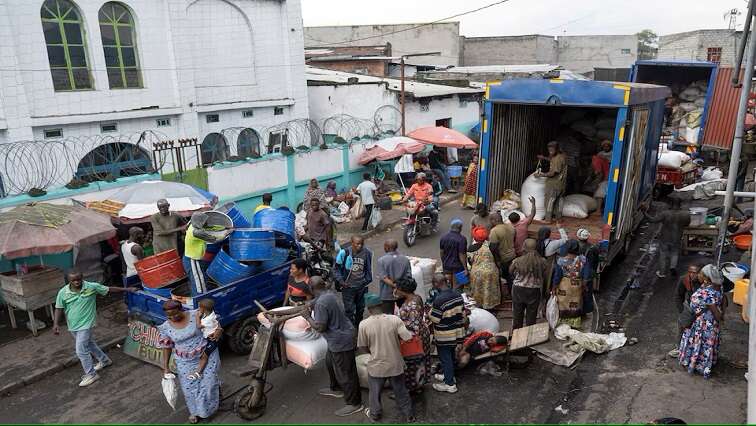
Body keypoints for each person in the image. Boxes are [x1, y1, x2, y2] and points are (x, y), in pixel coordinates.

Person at [53, 271, 136, 387]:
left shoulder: (91, 287)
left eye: (79, 279)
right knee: (89, 344)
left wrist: (127, 289)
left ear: (82, 277)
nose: (77, 282)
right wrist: (55, 324)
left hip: (86, 324)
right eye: (73, 280)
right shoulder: (63, 292)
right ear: (68, 281)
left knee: (81, 350)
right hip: (73, 326)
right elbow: (58, 308)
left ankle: (91, 374)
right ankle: (104, 360)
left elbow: (109, 289)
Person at [302, 277, 364, 417]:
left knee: (346, 373)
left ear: (311, 289)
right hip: (342, 335)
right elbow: (318, 301)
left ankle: (354, 403)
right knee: (330, 362)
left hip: (340, 340)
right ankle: (336, 388)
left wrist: (307, 317)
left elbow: (320, 327)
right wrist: (308, 304)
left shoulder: (321, 304)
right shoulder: (329, 293)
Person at [158, 300, 222, 423]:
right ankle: (195, 412)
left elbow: (214, 324)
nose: (172, 317)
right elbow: (166, 347)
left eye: (175, 314)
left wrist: (219, 331)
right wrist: (165, 367)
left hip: (206, 354)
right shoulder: (166, 327)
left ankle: (207, 411)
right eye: (169, 316)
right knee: (189, 387)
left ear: (181, 309)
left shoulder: (196, 314)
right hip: (184, 361)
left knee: (208, 383)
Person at [358, 293, 415, 423]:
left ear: (368, 309)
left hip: (377, 365)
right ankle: (409, 415)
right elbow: (408, 338)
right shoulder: (394, 319)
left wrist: (373, 352)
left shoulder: (364, 325)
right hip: (395, 363)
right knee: (401, 390)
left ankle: (375, 414)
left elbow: (362, 347)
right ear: (381, 305)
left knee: (375, 392)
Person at [678, 264, 725, 379]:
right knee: (700, 345)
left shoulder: (707, 293)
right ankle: (697, 363)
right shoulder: (713, 287)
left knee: (700, 344)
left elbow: (717, 314)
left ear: (706, 278)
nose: (698, 275)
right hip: (704, 323)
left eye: (700, 274)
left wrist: (720, 317)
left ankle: (699, 366)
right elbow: (723, 302)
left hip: (703, 325)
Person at [394, 278, 432, 394]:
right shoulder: (416, 297)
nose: (395, 290)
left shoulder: (412, 305)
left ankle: (413, 387)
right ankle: (419, 384)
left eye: (397, 288)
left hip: (415, 337)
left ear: (403, 290)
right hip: (423, 333)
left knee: (413, 363)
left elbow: (413, 326)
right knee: (421, 361)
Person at [429, 274, 465, 394]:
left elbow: (435, 319)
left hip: (445, 334)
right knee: (450, 356)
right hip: (457, 332)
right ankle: (448, 375)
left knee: (445, 358)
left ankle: (450, 384)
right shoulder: (457, 294)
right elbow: (463, 313)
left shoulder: (439, 300)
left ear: (436, 284)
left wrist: (429, 311)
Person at [642, 197, 690, 278]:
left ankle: (662, 273)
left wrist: (644, 212)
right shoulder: (686, 214)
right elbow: (687, 224)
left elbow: (652, 220)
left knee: (663, 254)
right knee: (675, 252)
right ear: (680, 204)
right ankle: (672, 267)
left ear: (671, 204)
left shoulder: (665, 213)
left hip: (665, 237)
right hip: (677, 236)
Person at [510, 239, 549, 329]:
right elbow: (544, 275)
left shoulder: (517, 261)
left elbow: (510, 271)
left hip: (518, 289)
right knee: (531, 314)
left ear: (524, 247)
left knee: (517, 313)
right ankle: (529, 334)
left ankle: (516, 333)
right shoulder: (542, 261)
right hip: (534, 290)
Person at [335, 235, 373, 326]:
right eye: (357, 244)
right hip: (348, 287)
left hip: (361, 286)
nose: (359, 246)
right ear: (352, 243)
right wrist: (341, 281)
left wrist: (367, 280)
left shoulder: (367, 252)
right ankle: (350, 327)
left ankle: (358, 325)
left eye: (361, 244)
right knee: (349, 309)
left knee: (361, 308)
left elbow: (368, 267)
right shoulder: (344, 253)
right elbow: (336, 269)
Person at [551, 240, 593, 321]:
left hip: (564, 287)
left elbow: (557, 277)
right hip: (577, 286)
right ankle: (574, 321)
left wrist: (554, 287)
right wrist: (584, 286)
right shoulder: (583, 260)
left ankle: (562, 321)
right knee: (576, 302)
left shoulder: (561, 261)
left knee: (562, 303)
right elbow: (586, 275)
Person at [184, 212, 222, 296]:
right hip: (192, 260)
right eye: (205, 221)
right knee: (198, 283)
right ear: (200, 221)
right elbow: (214, 239)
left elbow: (209, 227)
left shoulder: (192, 224)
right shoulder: (197, 232)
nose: (206, 223)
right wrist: (226, 233)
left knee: (201, 279)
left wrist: (223, 227)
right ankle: (200, 302)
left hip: (193, 258)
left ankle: (202, 299)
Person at [668, 265, 702, 358]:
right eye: (690, 272)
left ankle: (698, 350)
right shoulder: (684, 279)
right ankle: (679, 348)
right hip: (690, 306)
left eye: (695, 272)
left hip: (703, 308)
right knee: (682, 325)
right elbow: (678, 295)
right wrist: (681, 310)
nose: (692, 275)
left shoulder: (704, 281)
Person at [468, 226, 501, 309]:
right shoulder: (492, 245)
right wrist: (499, 269)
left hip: (476, 273)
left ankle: (479, 305)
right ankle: (490, 305)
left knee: (478, 290)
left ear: (475, 237)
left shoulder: (471, 248)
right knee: (489, 289)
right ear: (486, 236)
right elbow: (498, 260)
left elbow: (470, 262)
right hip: (491, 272)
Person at [377, 239, 412, 315]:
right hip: (402, 293)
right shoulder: (405, 259)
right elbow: (408, 276)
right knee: (404, 314)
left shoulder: (381, 260)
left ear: (387, 247)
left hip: (387, 294)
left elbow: (384, 278)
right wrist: (400, 287)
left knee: (388, 316)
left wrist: (395, 286)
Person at [536, 141, 567, 222]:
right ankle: (558, 218)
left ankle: (548, 219)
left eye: (552, 148)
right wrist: (543, 158)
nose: (550, 150)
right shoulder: (561, 156)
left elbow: (553, 173)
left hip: (554, 184)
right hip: (561, 184)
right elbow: (552, 160)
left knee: (549, 201)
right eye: (549, 148)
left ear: (557, 149)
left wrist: (541, 174)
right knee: (558, 201)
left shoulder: (557, 159)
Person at [190, 298, 220, 380]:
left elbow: (199, 326)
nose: (198, 309)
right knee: (203, 355)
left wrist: (197, 317)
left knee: (204, 356)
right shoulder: (212, 314)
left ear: (204, 309)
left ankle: (198, 372)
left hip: (212, 341)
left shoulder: (207, 320)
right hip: (209, 338)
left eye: (199, 308)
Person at [489, 212, 516, 296]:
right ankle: (511, 294)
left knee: (500, 277)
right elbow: (514, 240)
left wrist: (497, 261)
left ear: (495, 220)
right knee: (510, 277)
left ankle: (501, 295)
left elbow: (493, 248)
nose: (490, 222)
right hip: (512, 256)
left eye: (491, 220)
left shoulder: (494, 231)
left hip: (502, 258)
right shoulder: (511, 227)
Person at [440, 218, 469, 289]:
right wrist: (465, 268)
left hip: (447, 266)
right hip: (458, 268)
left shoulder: (443, 238)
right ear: (460, 228)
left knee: (448, 286)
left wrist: (443, 263)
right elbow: (462, 255)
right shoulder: (462, 239)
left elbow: (441, 252)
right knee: (459, 288)